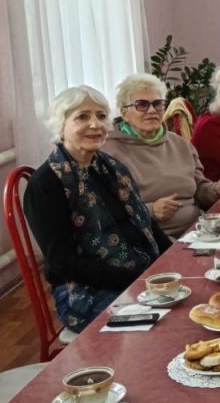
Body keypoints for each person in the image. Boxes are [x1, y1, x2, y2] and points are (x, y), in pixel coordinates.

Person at [23, 86, 172, 331]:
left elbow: (144, 222)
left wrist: (172, 258)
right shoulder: (46, 184)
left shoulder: (112, 167)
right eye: (82, 117)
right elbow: (61, 263)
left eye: (101, 116)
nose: (95, 124)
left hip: (137, 272)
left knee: (195, 292)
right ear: (61, 125)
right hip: (85, 292)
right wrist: (135, 280)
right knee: (167, 322)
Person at [104, 74, 220, 239]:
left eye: (157, 104)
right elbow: (107, 212)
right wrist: (151, 210)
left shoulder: (181, 144)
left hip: (197, 232)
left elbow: (199, 189)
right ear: (124, 113)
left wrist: (216, 189)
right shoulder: (109, 151)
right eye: (142, 105)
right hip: (152, 239)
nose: (152, 110)